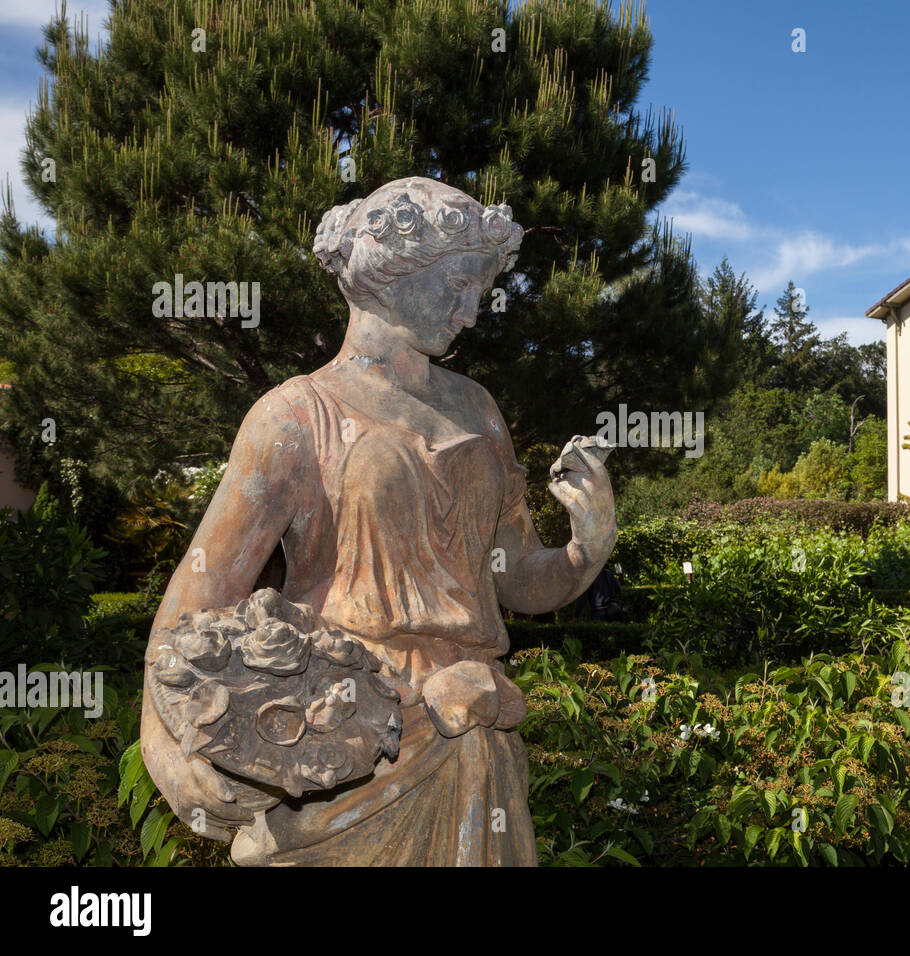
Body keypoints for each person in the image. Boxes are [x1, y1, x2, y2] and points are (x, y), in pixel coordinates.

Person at [140, 178, 617, 865]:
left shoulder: (479, 410)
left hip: (475, 730)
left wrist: (584, 552)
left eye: (479, 289)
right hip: (345, 739)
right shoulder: (296, 414)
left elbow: (515, 578)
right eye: (457, 284)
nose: (472, 311)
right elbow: (201, 592)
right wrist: (165, 744)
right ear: (390, 274)